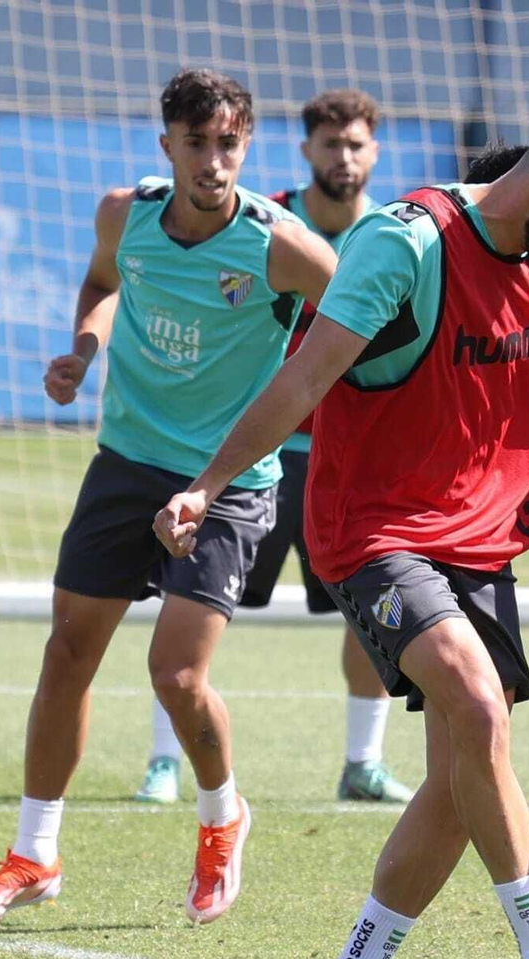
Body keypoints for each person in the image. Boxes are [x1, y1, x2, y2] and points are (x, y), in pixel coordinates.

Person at [154, 100, 529, 959]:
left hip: (481, 537)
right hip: (374, 532)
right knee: (475, 703)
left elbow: (489, 357)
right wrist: (207, 486)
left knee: (465, 777)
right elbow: (305, 380)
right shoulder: (407, 242)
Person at [0, 69, 337, 928]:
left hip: (230, 483)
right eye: (196, 142)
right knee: (66, 652)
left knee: (178, 674)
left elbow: (361, 323)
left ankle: (221, 814)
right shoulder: (123, 214)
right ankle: (34, 852)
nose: (213, 159)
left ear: (247, 146)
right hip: (127, 461)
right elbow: (100, 283)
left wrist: (332, 413)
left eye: (228, 143)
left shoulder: (284, 246)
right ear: (168, 146)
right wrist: (83, 351)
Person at [135, 88, 413, 807]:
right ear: (305, 151)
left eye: (356, 145)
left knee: (371, 605)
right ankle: (165, 759)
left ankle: (364, 760)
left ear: (374, 153)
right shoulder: (264, 224)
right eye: (331, 144)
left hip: (346, 456)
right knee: (186, 595)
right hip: (248, 453)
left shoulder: (390, 235)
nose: (343, 157)